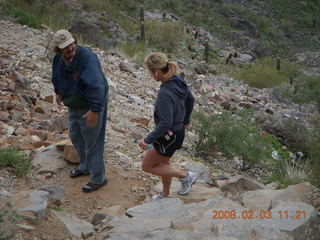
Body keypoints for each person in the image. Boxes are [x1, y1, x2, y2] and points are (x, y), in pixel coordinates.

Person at [51, 29, 109, 192]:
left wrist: (95, 110)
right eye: (65, 47)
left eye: (71, 44)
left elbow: (96, 86)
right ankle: (85, 167)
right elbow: (56, 76)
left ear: (74, 41)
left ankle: (98, 178)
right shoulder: (58, 59)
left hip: (92, 103)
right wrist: (58, 93)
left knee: (93, 142)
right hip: (74, 102)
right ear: (58, 49)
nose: (70, 48)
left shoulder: (87, 59)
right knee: (76, 136)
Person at [139, 52, 198, 200]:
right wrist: (186, 119)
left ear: (157, 72)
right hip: (178, 132)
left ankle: (186, 176)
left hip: (168, 136)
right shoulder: (178, 79)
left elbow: (165, 123)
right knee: (163, 162)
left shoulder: (165, 93)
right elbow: (191, 99)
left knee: (147, 165)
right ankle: (165, 194)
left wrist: (147, 140)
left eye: (150, 73)